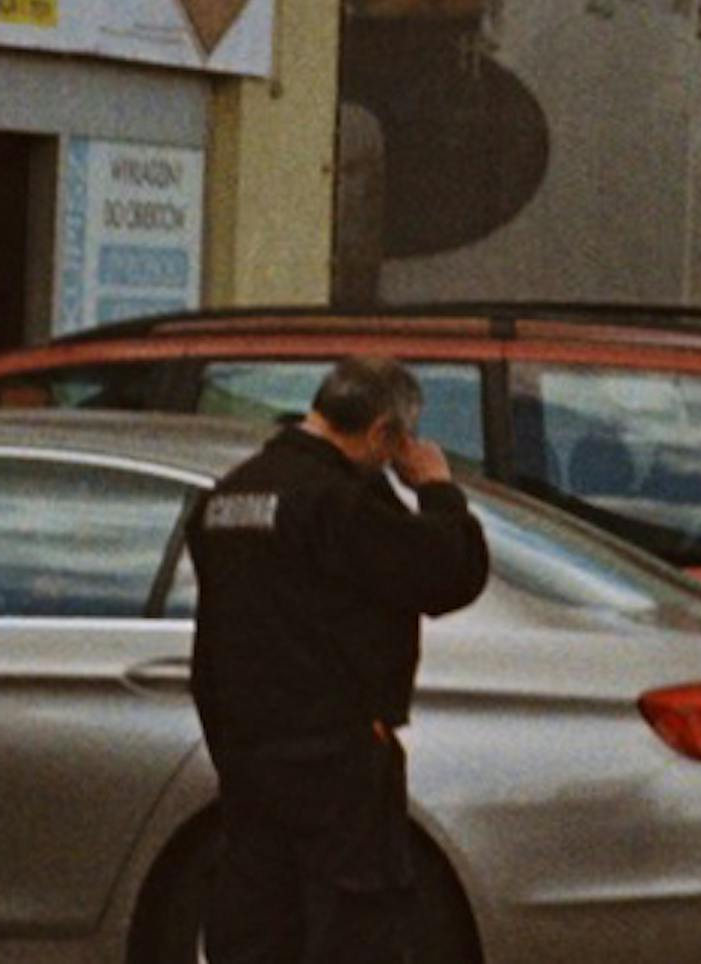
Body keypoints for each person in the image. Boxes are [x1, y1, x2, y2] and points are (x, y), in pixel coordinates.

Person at [189, 353, 492, 964]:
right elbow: (448, 573)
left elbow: (214, 646)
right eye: (394, 444)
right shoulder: (338, 503)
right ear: (382, 432)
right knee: (356, 930)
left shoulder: (228, 496)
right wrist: (436, 488)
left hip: (250, 757)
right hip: (338, 762)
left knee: (257, 930)